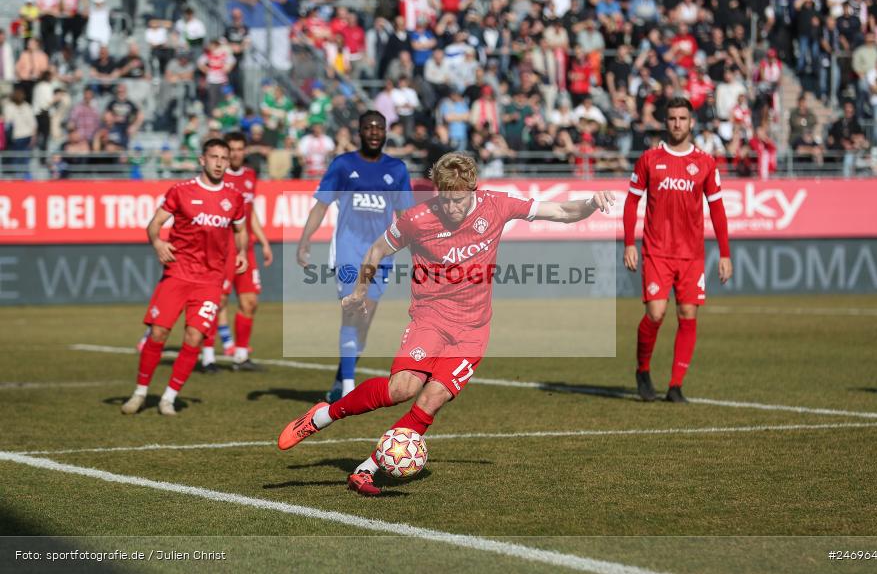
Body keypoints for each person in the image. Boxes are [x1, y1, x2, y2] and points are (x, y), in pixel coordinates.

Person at [278, 151, 615, 496]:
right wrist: (360, 292)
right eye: (447, 199)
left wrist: (591, 202)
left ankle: (366, 470)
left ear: (474, 189)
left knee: (432, 400)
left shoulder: (495, 205)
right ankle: (323, 416)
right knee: (403, 389)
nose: (453, 208)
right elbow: (377, 250)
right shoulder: (416, 219)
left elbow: (559, 211)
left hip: (473, 331)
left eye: (461, 199)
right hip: (430, 318)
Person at [121, 139, 248, 416]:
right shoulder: (181, 191)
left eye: (223, 158)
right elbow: (154, 224)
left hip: (210, 280)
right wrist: (158, 243)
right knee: (159, 332)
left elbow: (240, 229)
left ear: (228, 162)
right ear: (202, 160)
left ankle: (169, 397)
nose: (218, 162)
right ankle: (140, 392)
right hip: (178, 273)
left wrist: (242, 253)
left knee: (194, 337)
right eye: (213, 157)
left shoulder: (234, 197)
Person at [295, 110, 413, 403]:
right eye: (368, 127)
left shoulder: (397, 169)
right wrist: (304, 240)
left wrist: (419, 250)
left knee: (365, 320)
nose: (374, 132)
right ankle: (348, 388)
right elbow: (321, 206)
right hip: (349, 250)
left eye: (379, 128)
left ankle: (339, 380)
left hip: (381, 254)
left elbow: (405, 216)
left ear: (385, 132)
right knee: (353, 310)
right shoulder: (343, 165)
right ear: (360, 132)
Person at [622, 96, 732, 403]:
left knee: (687, 313)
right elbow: (632, 201)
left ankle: (675, 385)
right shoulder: (649, 159)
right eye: (672, 119)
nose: (677, 124)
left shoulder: (706, 164)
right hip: (656, 251)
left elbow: (718, 210)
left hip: (691, 254)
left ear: (691, 122)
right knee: (656, 313)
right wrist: (629, 243)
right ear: (665, 122)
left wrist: (725, 254)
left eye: (682, 119)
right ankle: (643, 370)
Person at [200, 132, 273, 372]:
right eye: (232, 149)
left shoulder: (251, 175)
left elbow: (250, 215)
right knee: (216, 301)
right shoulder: (217, 177)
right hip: (221, 249)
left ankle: (241, 356)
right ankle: (208, 356)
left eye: (241, 149)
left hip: (246, 248)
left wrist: (263, 242)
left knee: (250, 301)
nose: (236, 154)